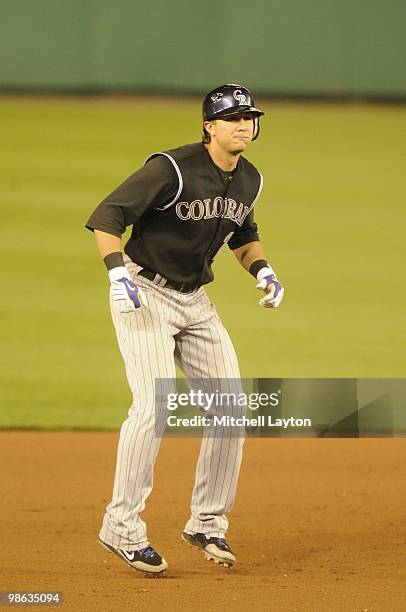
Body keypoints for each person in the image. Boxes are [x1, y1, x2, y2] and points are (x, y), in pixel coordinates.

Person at [85, 84, 284, 575]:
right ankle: (121, 526)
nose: (243, 124)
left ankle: (207, 521)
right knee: (153, 405)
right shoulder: (170, 169)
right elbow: (108, 216)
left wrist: (262, 269)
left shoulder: (249, 179)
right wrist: (115, 271)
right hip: (143, 291)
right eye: (232, 117)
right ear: (209, 125)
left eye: (249, 117)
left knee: (231, 407)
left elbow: (244, 235)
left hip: (195, 302)